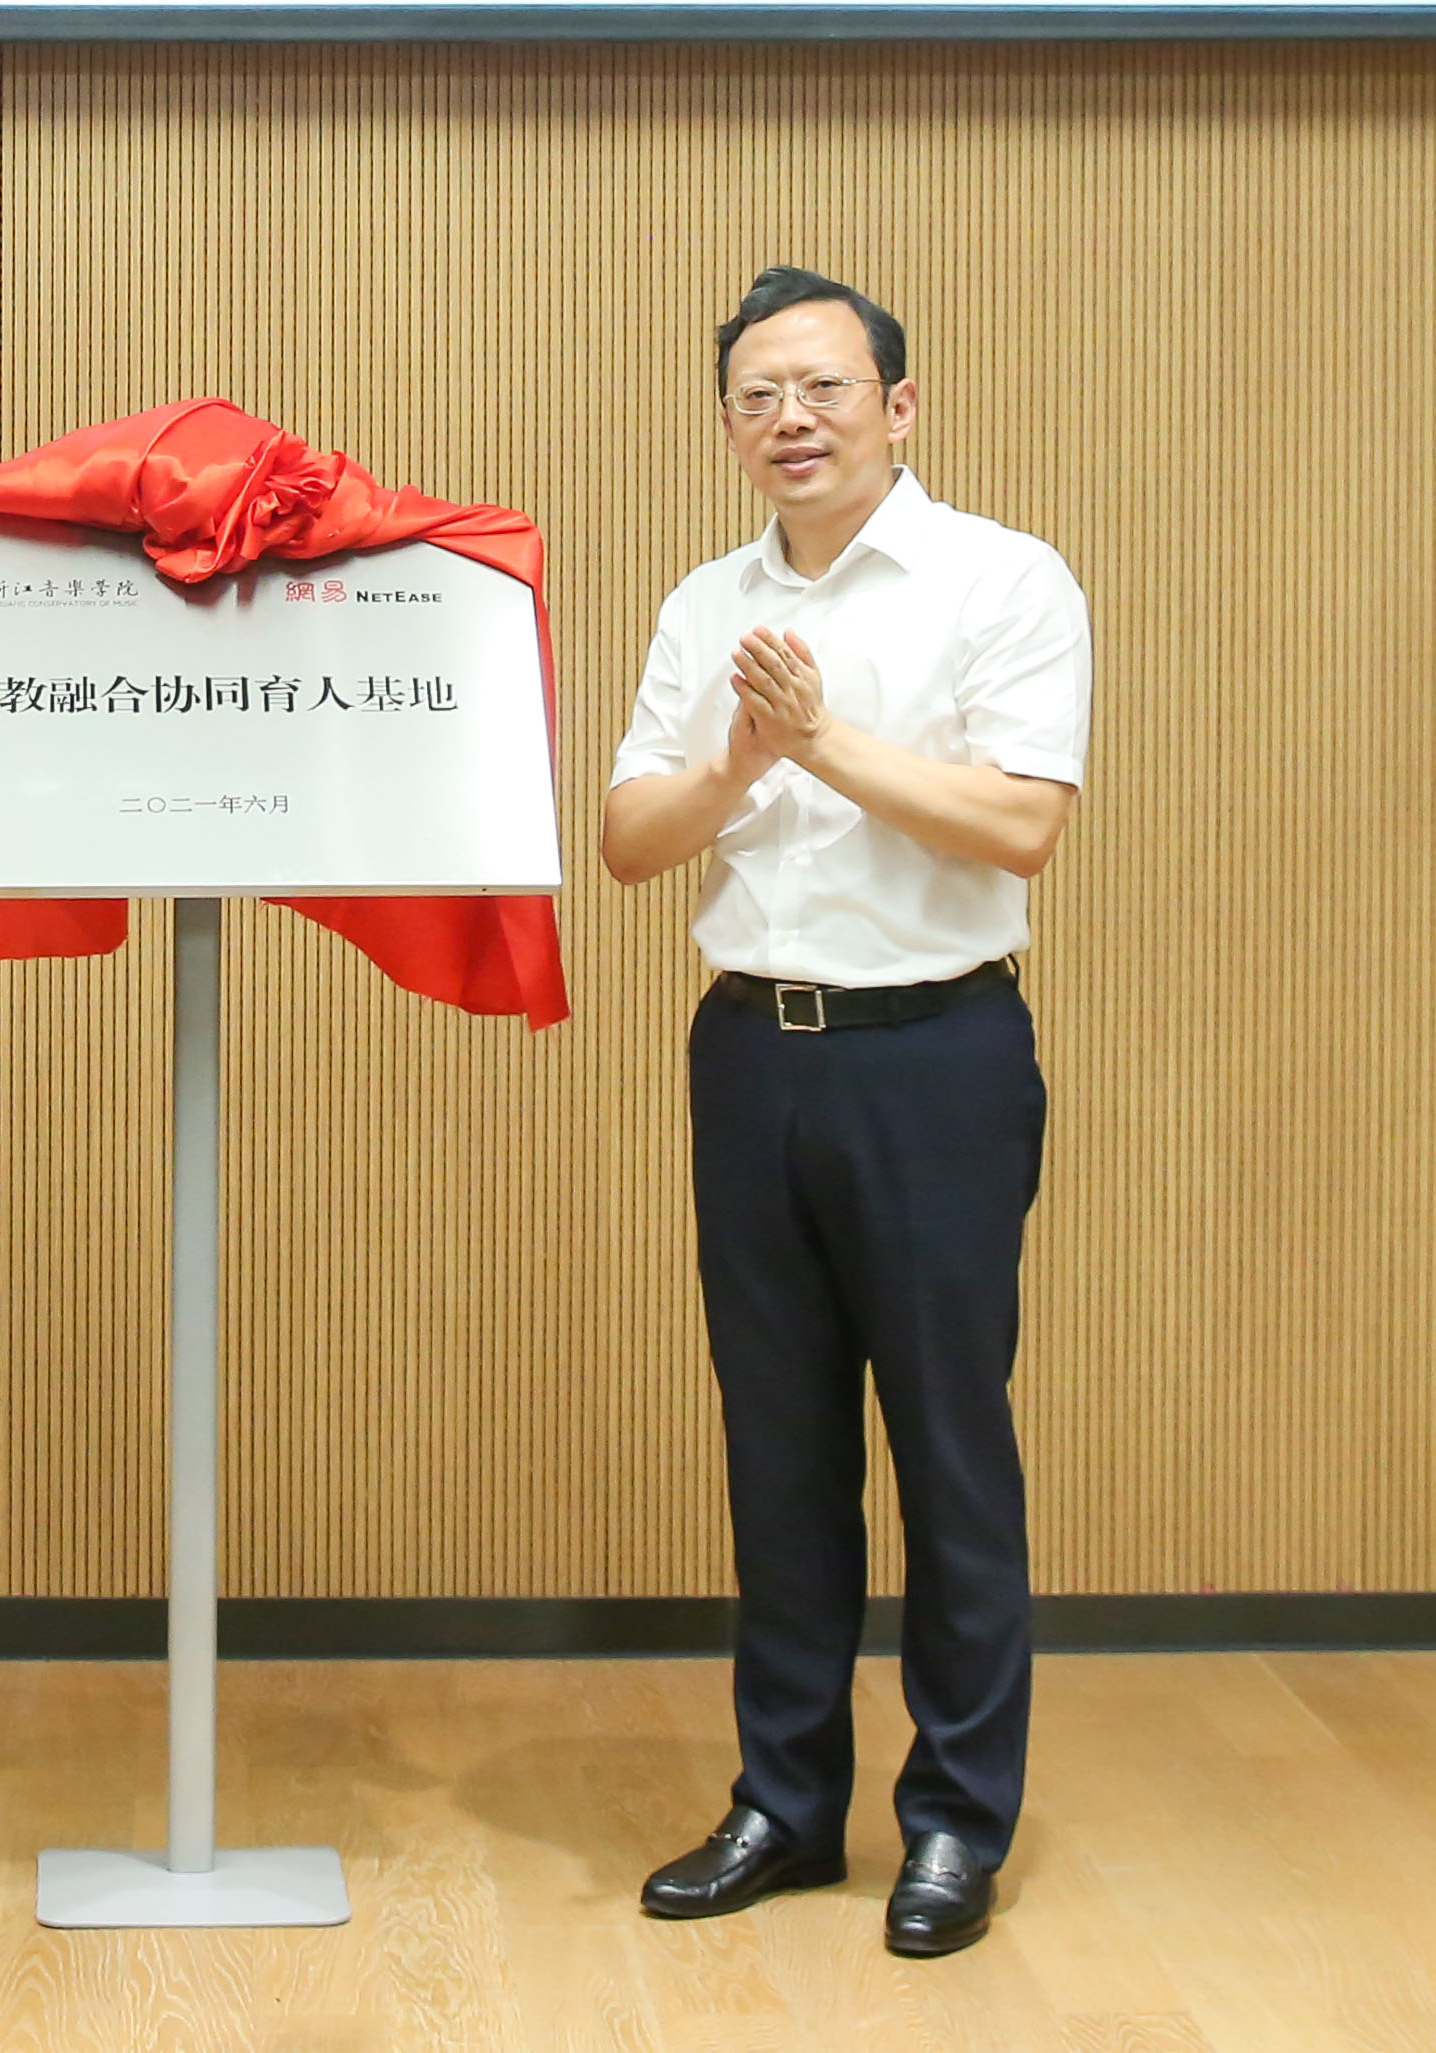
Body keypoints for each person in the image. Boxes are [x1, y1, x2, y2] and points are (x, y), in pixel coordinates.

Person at [600, 265, 1089, 1962]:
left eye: (821, 387)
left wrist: (818, 741)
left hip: (934, 1053)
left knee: (950, 1444)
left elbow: (1020, 823)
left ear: (899, 403)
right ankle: (787, 1803)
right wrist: (736, 764)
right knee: (779, 1447)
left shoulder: (1001, 578)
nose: (789, 418)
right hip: (753, 1052)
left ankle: (954, 1818)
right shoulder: (703, 603)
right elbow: (631, 840)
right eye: (756, 395)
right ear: (729, 425)